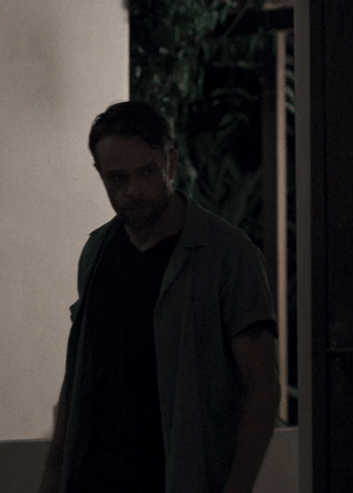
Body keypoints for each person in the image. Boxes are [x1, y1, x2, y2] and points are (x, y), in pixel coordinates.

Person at [39, 101, 280, 493]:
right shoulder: (97, 252)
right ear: (100, 174)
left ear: (171, 162)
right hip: (94, 480)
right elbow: (80, 371)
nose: (134, 190)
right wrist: (53, 472)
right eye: (118, 178)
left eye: (147, 171)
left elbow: (262, 384)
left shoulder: (227, 255)